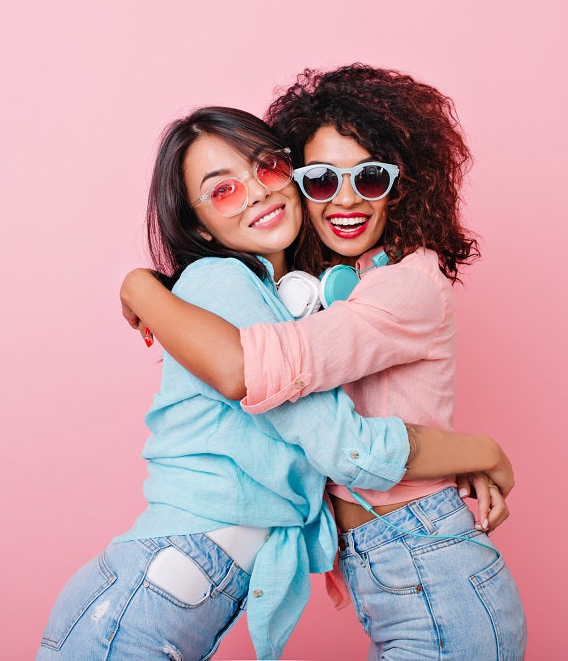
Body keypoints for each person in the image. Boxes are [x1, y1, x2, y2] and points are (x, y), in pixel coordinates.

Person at [37, 106, 515, 661]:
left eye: (267, 168)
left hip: (168, 589)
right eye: (222, 191)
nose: (256, 195)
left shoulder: (310, 296)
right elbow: (332, 436)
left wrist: (145, 288)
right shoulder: (223, 282)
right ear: (197, 225)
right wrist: (484, 452)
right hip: (144, 601)